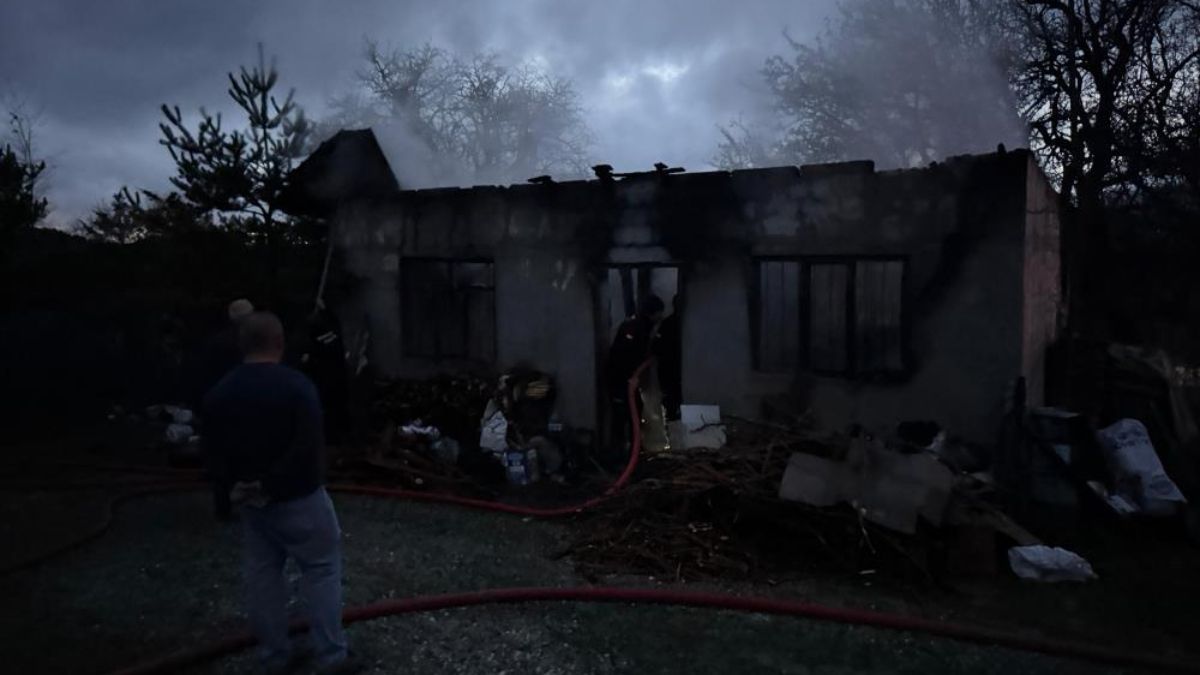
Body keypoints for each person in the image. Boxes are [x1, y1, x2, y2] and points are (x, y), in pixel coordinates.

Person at [202, 312, 357, 675]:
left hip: (251, 503)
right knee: (321, 570)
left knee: (263, 575)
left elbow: (212, 452)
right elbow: (307, 446)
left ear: (242, 344)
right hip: (299, 497)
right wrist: (271, 483)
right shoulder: (297, 387)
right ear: (279, 343)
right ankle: (331, 656)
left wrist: (230, 491)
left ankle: (274, 656)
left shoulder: (220, 393)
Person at [192, 298, 256, 521]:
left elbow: (203, 375)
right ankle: (248, 502)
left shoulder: (216, 342)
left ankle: (223, 505)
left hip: (218, 404)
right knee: (246, 454)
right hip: (244, 405)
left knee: (220, 457)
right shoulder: (249, 344)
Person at [605, 294, 665, 460]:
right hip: (620, 381)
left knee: (635, 415)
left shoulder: (645, 328)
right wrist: (630, 377)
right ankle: (619, 455)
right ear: (652, 312)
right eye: (659, 312)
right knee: (621, 418)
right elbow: (623, 356)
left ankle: (635, 451)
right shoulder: (634, 328)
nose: (661, 316)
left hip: (629, 381)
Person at [300, 301, 350, 447]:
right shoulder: (333, 333)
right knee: (336, 412)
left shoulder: (315, 342)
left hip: (326, 384)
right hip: (336, 382)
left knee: (330, 415)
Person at [655, 294, 683, 423]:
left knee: (670, 408)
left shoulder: (667, 323)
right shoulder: (672, 323)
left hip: (669, 372)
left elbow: (656, 347)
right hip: (672, 372)